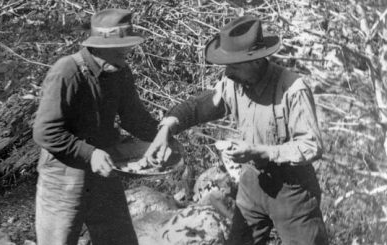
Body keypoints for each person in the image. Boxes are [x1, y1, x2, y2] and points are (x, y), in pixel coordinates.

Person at [145, 15, 329, 244]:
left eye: (234, 65)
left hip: (292, 191)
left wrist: (258, 151)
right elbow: (198, 107)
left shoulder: (292, 88)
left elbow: (311, 145)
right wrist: (166, 128)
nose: (228, 72)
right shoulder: (232, 83)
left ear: (256, 61)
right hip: (252, 183)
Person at [32, 8, 158, 245]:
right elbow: (45, 131)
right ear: (100, 46)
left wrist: (163, 135)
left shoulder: (120, 71)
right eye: (122, 47)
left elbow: (134, 118)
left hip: (104, 169)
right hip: (63, 175)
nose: (128, 52)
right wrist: (89, 154)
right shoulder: (67, 71)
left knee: (119, 240)